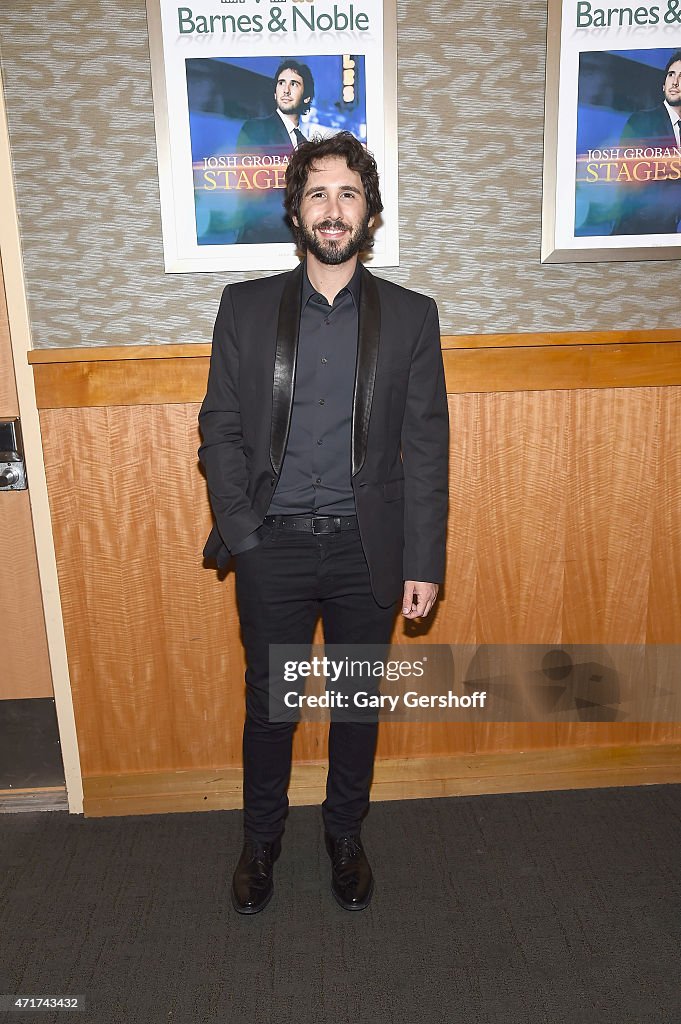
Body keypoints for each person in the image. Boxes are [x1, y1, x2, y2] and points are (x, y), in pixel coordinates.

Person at [199, 132, 449, 914]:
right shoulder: (244, 307)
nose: (332, 209)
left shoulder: (411, 317)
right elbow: (220, 427)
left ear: (368, 212)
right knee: (271, 708)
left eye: (347, 193)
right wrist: (242, 532)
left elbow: (428, 445)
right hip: (269, 546)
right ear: (295, 211)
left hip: (364, 553)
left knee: (354, 705)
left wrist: (424, 559)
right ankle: (261, 840)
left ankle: (345, 832)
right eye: (317, 193)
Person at [235, 60, 315, 243]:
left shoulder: (307, 145)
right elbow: (252, 193)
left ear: (307, 97)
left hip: (297, 241)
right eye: (281, 83)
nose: (286, 90)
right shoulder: (255, 129)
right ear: (275, 92)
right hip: (261, 238)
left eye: (294, 84)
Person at [612, 51, 681, 235]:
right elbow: (633, 187)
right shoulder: (642, 122)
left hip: (667, 238)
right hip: (634, 235)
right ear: (663, 84)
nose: (675, 82)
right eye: (671, 74)